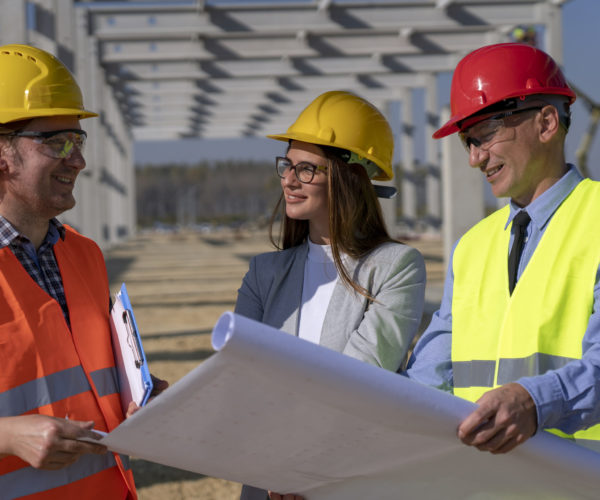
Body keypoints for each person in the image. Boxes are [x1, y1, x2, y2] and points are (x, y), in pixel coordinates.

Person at [406, 42, 600, 455]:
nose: (476, 158)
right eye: (468, 142)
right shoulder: (472, 248)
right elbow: (427, 378)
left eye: (486, 134)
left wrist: (534, 402)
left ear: (547, 123)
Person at [235, 90, 426, 500]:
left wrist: (303, 466)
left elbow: (363, 376)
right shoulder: (263, 274)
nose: (288, 179)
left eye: (306, 170)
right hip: (269, 479)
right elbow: (240, 377)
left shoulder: (395, 267)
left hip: (348, 479)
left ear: (347, 177)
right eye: (287, 165)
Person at [0, 44, 165, 499]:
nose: (78, 160)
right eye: (56, 142)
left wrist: (141, 399)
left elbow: (86, 378)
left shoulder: (85, 254)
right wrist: (7, 437)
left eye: (78, 140)